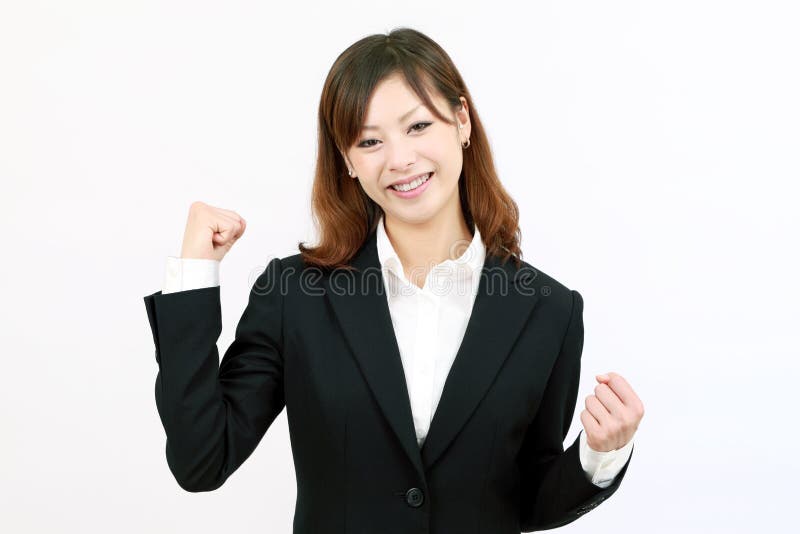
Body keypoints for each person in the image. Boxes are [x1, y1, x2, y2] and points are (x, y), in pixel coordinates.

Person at [143, 27, 644, 533]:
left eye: (419, 126)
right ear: (348, 161)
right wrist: (194, 274)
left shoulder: (549, 311)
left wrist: (598, 454)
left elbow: (527, 499)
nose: (400, 159)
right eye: (370, 140)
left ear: (462, 122)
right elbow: (201, 460)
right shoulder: (295, 294)